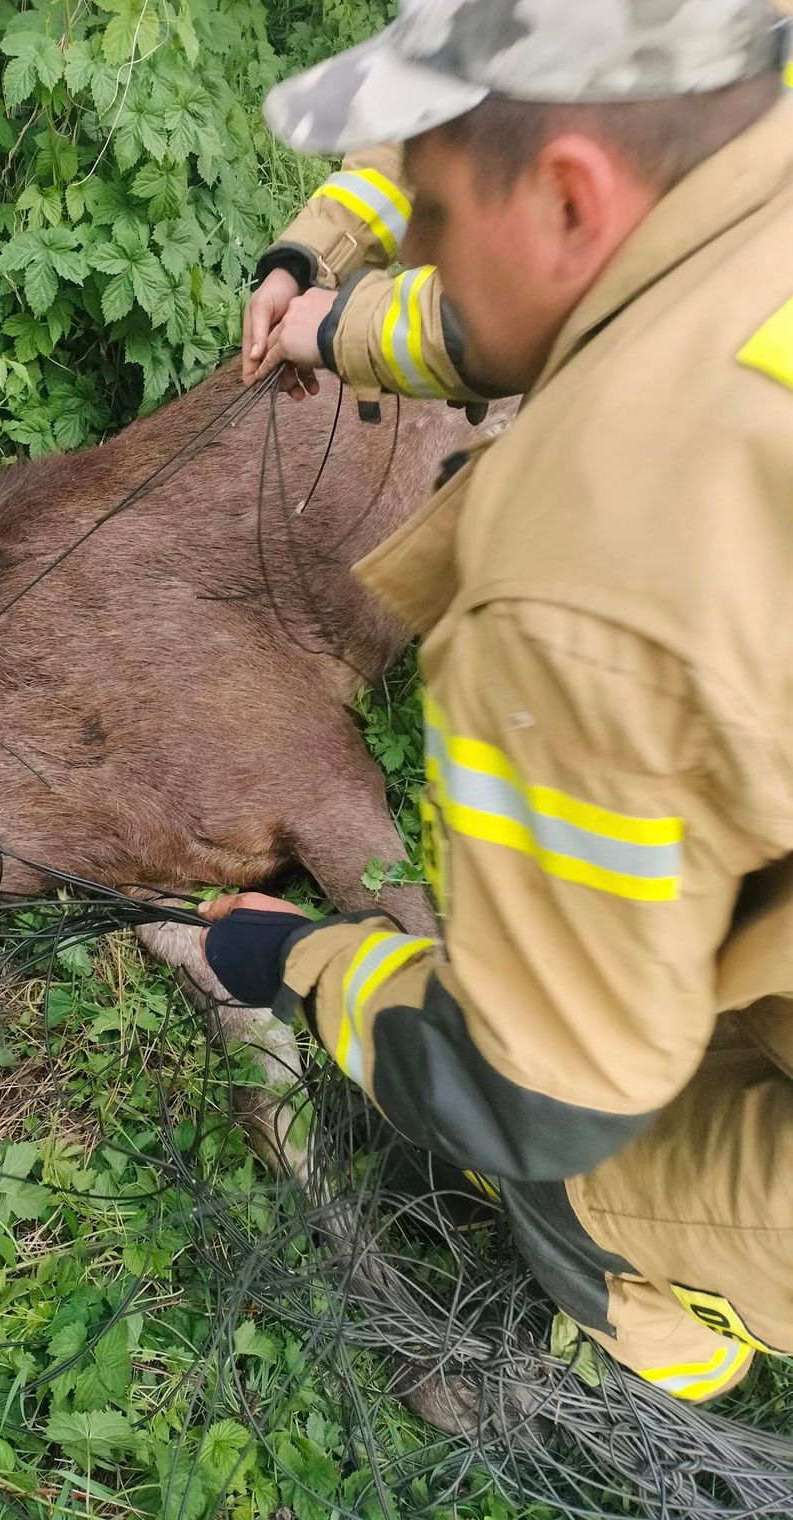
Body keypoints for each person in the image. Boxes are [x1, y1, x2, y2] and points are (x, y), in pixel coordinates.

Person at [201, 0, 793, 1425]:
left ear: (572, 190)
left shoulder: (588, 576)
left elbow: (534, 1089)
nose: (422, 241)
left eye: (435, 213)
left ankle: (655, 1358)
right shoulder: (739, 180)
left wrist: (302, 962)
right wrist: (332, 314)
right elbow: (576, 302)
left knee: (562, 1152)